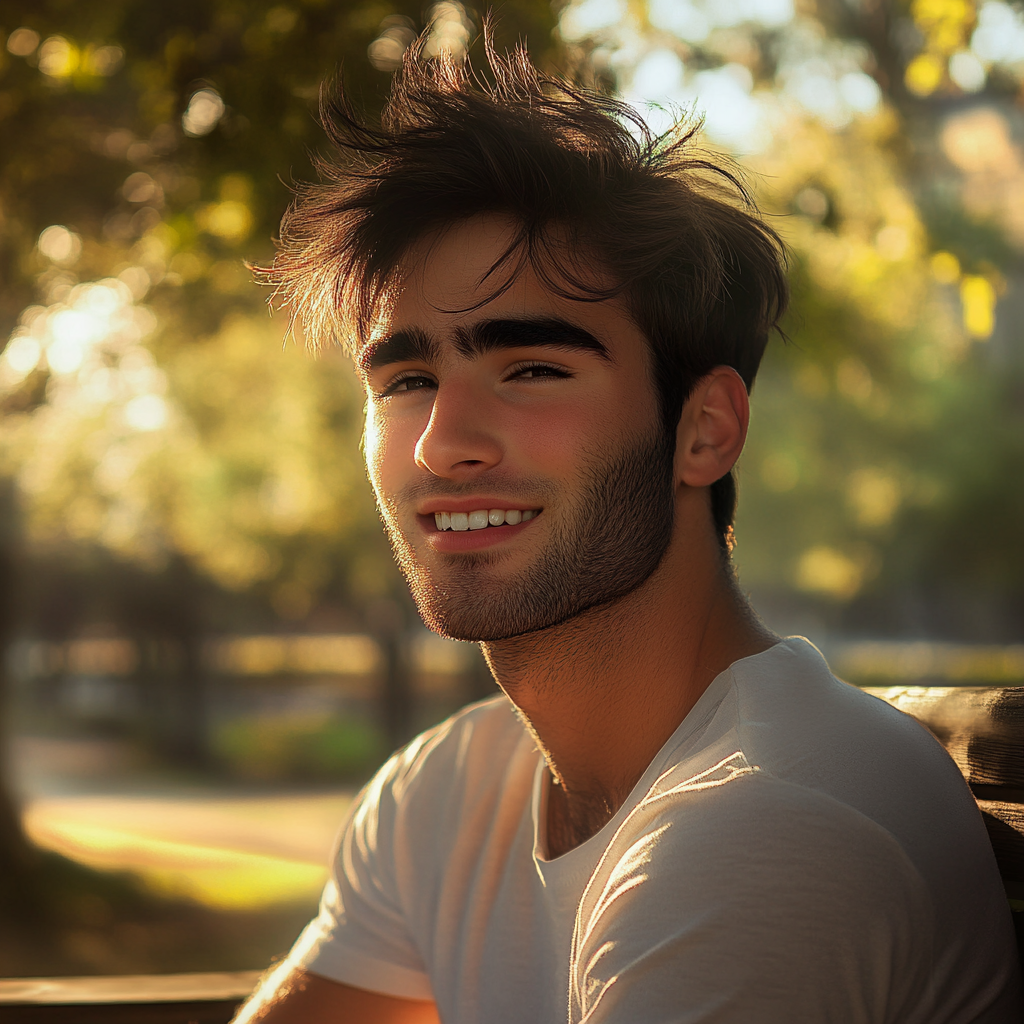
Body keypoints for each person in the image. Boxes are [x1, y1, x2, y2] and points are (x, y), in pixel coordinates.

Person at [236, 34, 1022, 1024]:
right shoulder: (448, 793)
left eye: (531, 369)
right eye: (406, 380)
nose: (443, 443)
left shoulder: (767, 830)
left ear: (704, 430)